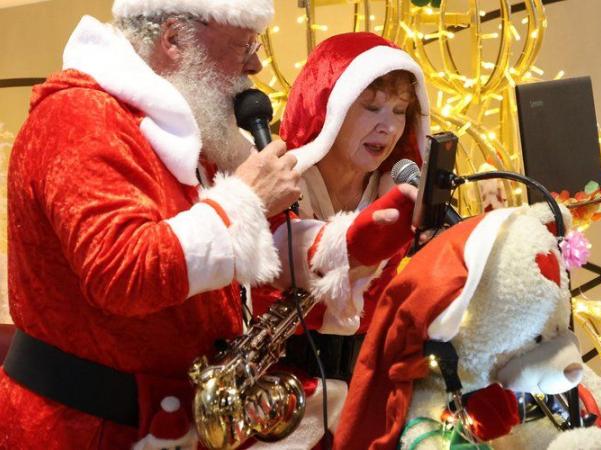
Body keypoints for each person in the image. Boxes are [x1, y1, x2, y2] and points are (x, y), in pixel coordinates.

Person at [0, 2, 417, 449]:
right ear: (174, 39)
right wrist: (249, 199)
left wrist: (344, 245)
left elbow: (223, 262)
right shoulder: (79, 118)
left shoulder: (180, 136)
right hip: (81, 431)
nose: (256, 65)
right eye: (243, 47)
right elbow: (122, 272)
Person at [250, 32, 430, 449]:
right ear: (328, 107)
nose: (387, 126)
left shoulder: (399, 191)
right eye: (371, 107)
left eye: (401, 111)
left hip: (370, 393)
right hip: (280, 401)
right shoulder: (280, 183)